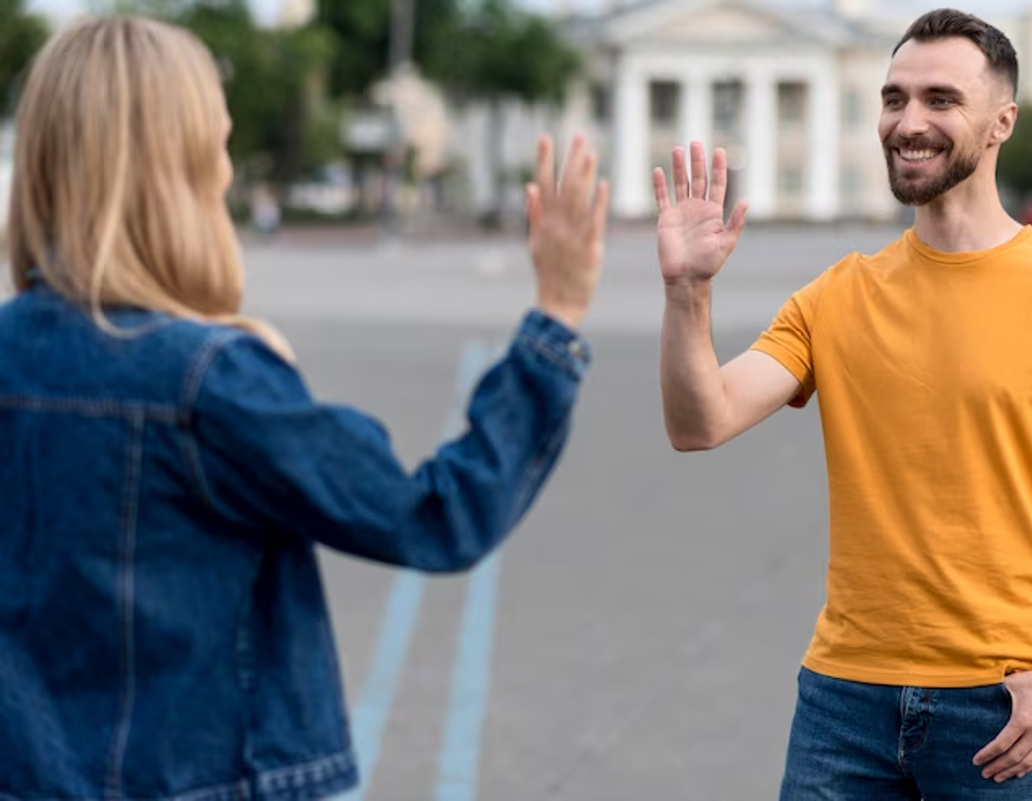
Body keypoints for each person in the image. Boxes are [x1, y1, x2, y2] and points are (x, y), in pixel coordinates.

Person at [0, 17, 608, 801]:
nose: (225, 172)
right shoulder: (210, 381)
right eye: (215, 145)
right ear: (174, 171)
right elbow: (434, 514)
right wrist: (556, 317)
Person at [654, 9, 1032, 800]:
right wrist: (688, 293)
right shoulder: (836, 295)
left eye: (940, 100)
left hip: (999, 708)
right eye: (893, 98)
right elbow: (699, 421)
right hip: (842, 703)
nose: (908, 122)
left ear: (1001, 123)